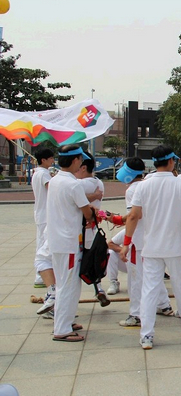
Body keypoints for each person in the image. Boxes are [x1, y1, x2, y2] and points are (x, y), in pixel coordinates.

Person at [119, 145, 181, 350]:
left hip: (151, 248)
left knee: (149, 290)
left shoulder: (142, 186)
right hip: (177, 247)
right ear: (171, 161)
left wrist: (126, 244)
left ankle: (146, 335)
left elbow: (133, 216)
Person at [108, 157, 175, 327]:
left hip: (139, 241)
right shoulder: (148, 185)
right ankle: (164, 305)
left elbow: (134, 216)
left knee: (136, 279)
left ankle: (136, 314)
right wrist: (117, 219)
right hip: (151, 238)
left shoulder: (133, 190)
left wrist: (126, 243)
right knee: (152, 276)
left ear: (129, 172)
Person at [46, 145, 95, 342]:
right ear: (75, 160)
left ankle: (65, 320)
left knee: (66, 283)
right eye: (80, 160)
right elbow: (87, 213)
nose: (81, 163)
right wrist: (93, 212)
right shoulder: (73, 185)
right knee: (67, 285)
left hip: (58, 240)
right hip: (68, 242)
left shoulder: (56, 180)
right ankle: (62, 329)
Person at [75, 155, 109, 307]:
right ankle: (99, 289)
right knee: (92, 260)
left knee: (76, 265)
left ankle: (59, 296)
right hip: (93, 228)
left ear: (83, 168)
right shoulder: (99, 183)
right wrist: (94, 196)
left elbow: (76, 199)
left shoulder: (79, 184)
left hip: (79, 229)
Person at [31, 148, 57, 315]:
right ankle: (41, 277)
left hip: (41, 213)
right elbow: (52, 189)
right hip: (46, 214)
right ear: (44, 160)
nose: (52, 161)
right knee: (43, 248)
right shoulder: (43, 174)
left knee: (42, 245)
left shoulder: (38, 173)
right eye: (50, 159)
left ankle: (41, 276)